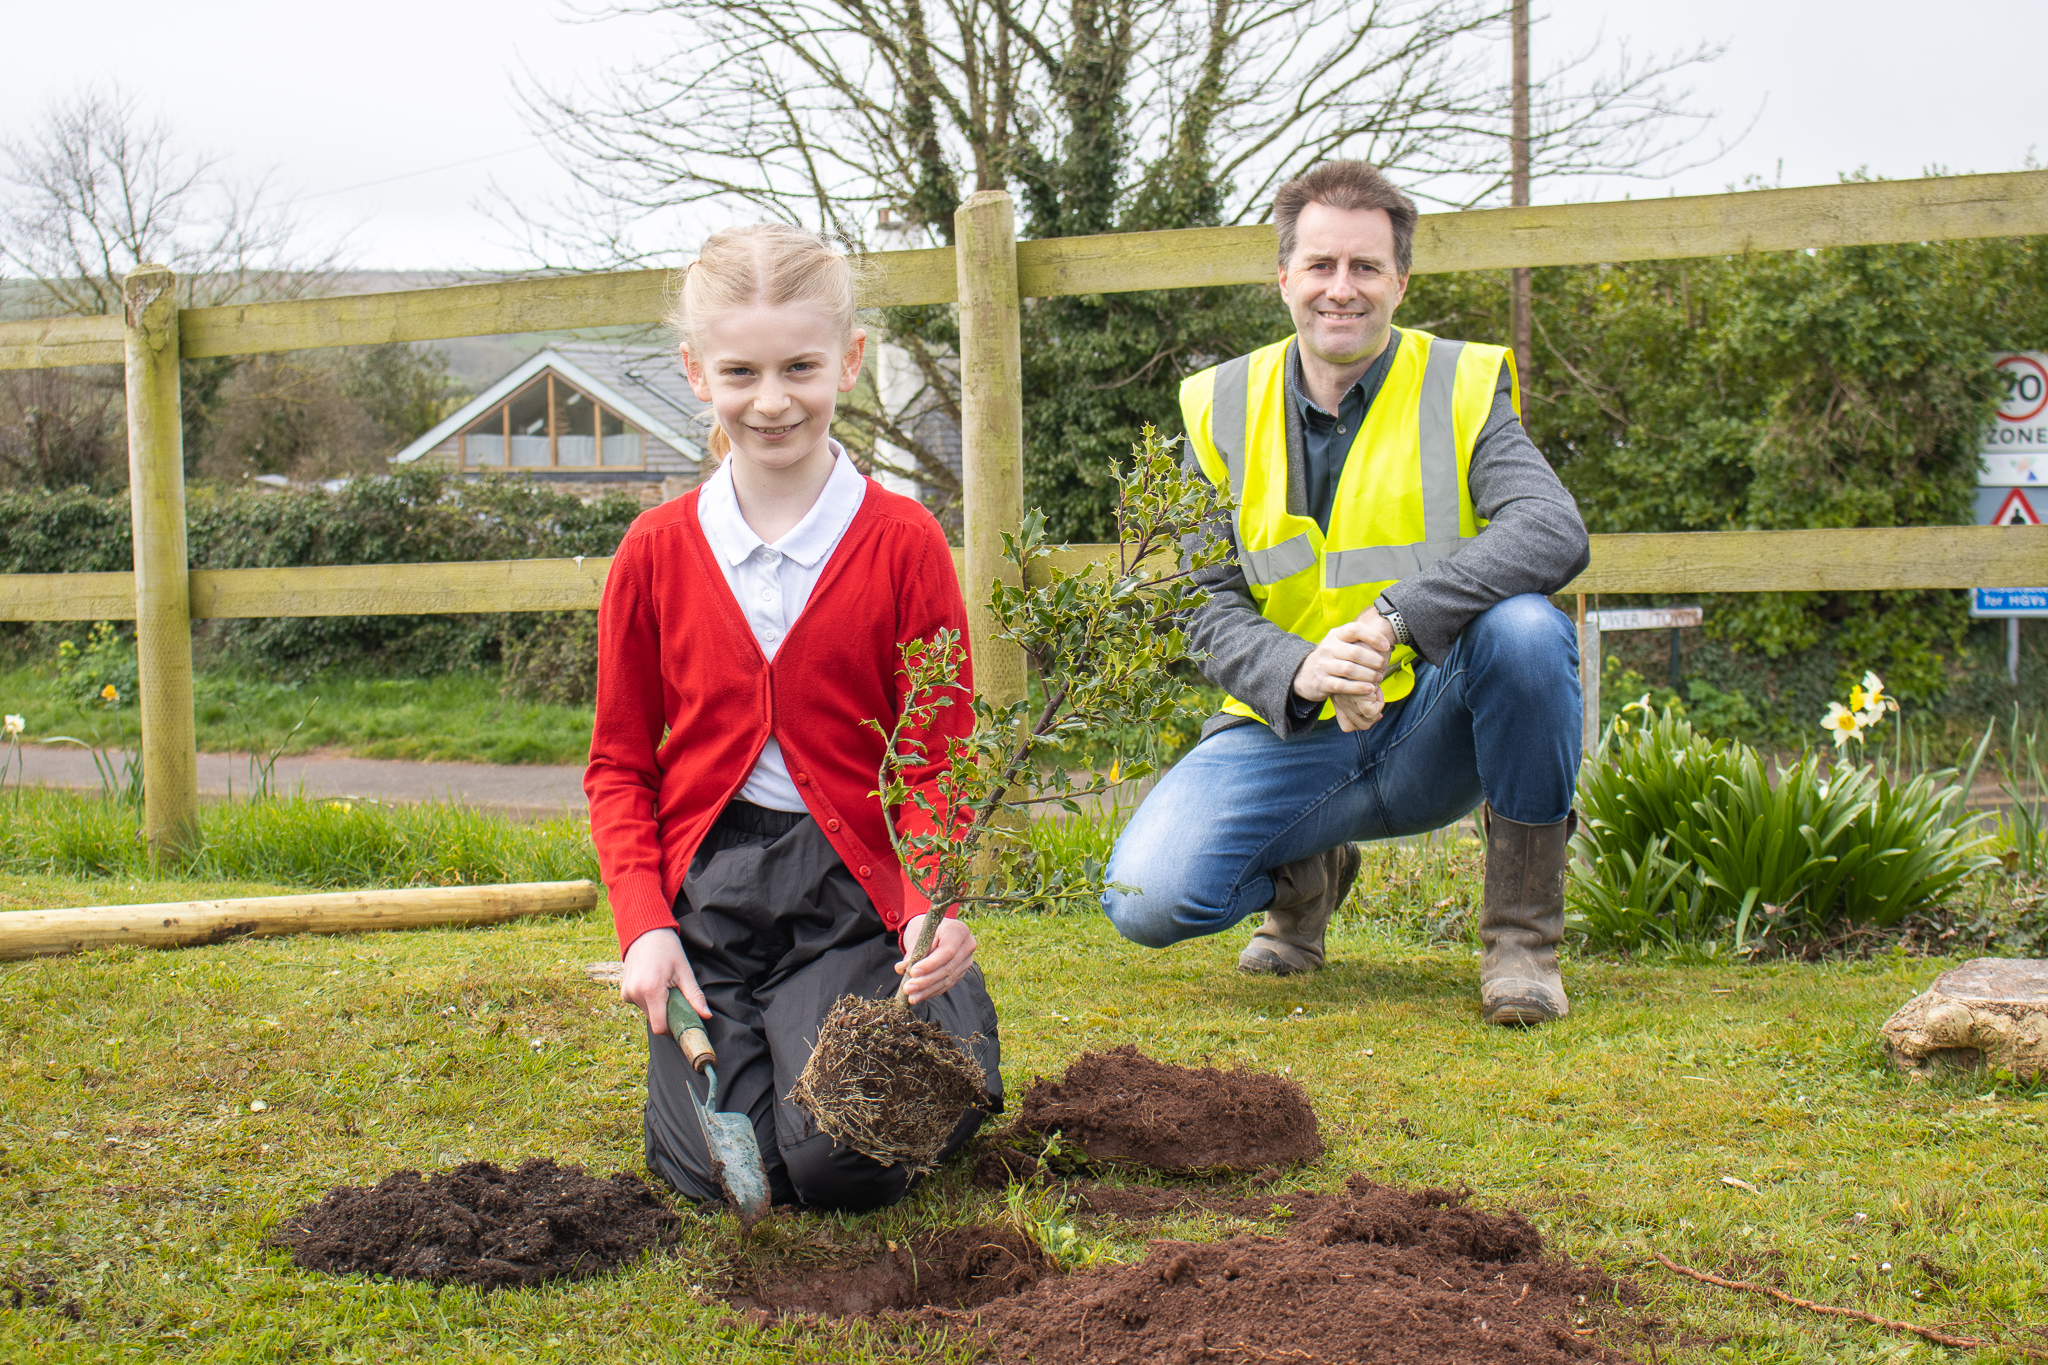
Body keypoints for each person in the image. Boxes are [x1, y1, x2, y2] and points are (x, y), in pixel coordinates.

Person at [1102, 161, 1590, 1026]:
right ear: (1283, 276)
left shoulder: (1461, 386)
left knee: (1525, 629)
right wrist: (1301, 668)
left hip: (1437, 725)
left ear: (1401, 280)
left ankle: (1522, 942)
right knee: (1146, 896)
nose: (1342, 288)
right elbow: (1197, 597)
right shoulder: (1220, 406)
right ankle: (1308, 874)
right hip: (1292, 729)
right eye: (1321, 265)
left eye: (1366, 267)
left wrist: (1396, 620)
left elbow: (1552, 529)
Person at [586, 223, 1000, 1211]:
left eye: (799, 367)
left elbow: (939, 755)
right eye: (740, 371)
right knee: (732, 1177)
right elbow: (618, 768)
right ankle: (751, 1046)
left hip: (848, 894)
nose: (770, 400)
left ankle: (954, 1019)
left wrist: (924, 902)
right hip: (714, 900)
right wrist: (646, 926)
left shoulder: (903, 543)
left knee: (838, 1164)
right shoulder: (652, 552)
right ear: (696, 373)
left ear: (848, 362)